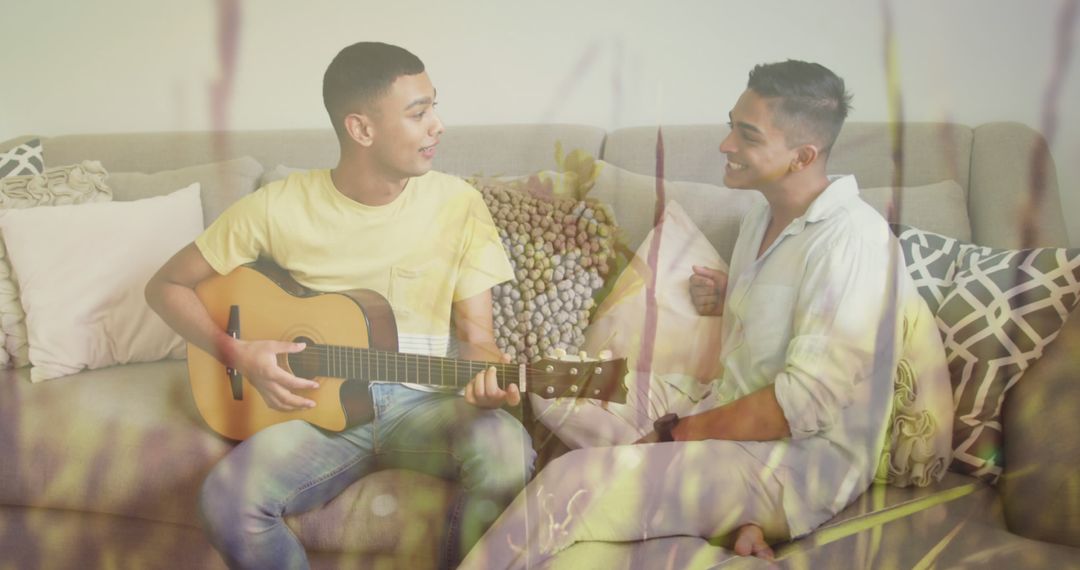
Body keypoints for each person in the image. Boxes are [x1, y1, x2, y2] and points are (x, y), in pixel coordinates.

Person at [459, 60, 944, 568]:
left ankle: (660, 495)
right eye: (731, 124)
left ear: (802, 156)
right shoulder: (763, 217)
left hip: (795, 461)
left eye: (747, 135)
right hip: (718, 409)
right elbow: (794, 318)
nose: (725, 145)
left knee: (569, 482)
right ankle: (690, 506)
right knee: (554, 380)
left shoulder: (854, 242)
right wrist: (736, 294)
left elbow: (804, 405)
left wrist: (672, 435)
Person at [145, 42, 535, 569]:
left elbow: (478, 338)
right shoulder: (276, 207)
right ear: (361, 129)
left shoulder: (457, 203)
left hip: (427, 404)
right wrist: (236, 354)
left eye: (434, 107)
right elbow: (166, 285)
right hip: (313, 413)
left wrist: (489, 375)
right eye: (418, 113)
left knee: (509, 451)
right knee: (226, 499)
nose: (437, 126)